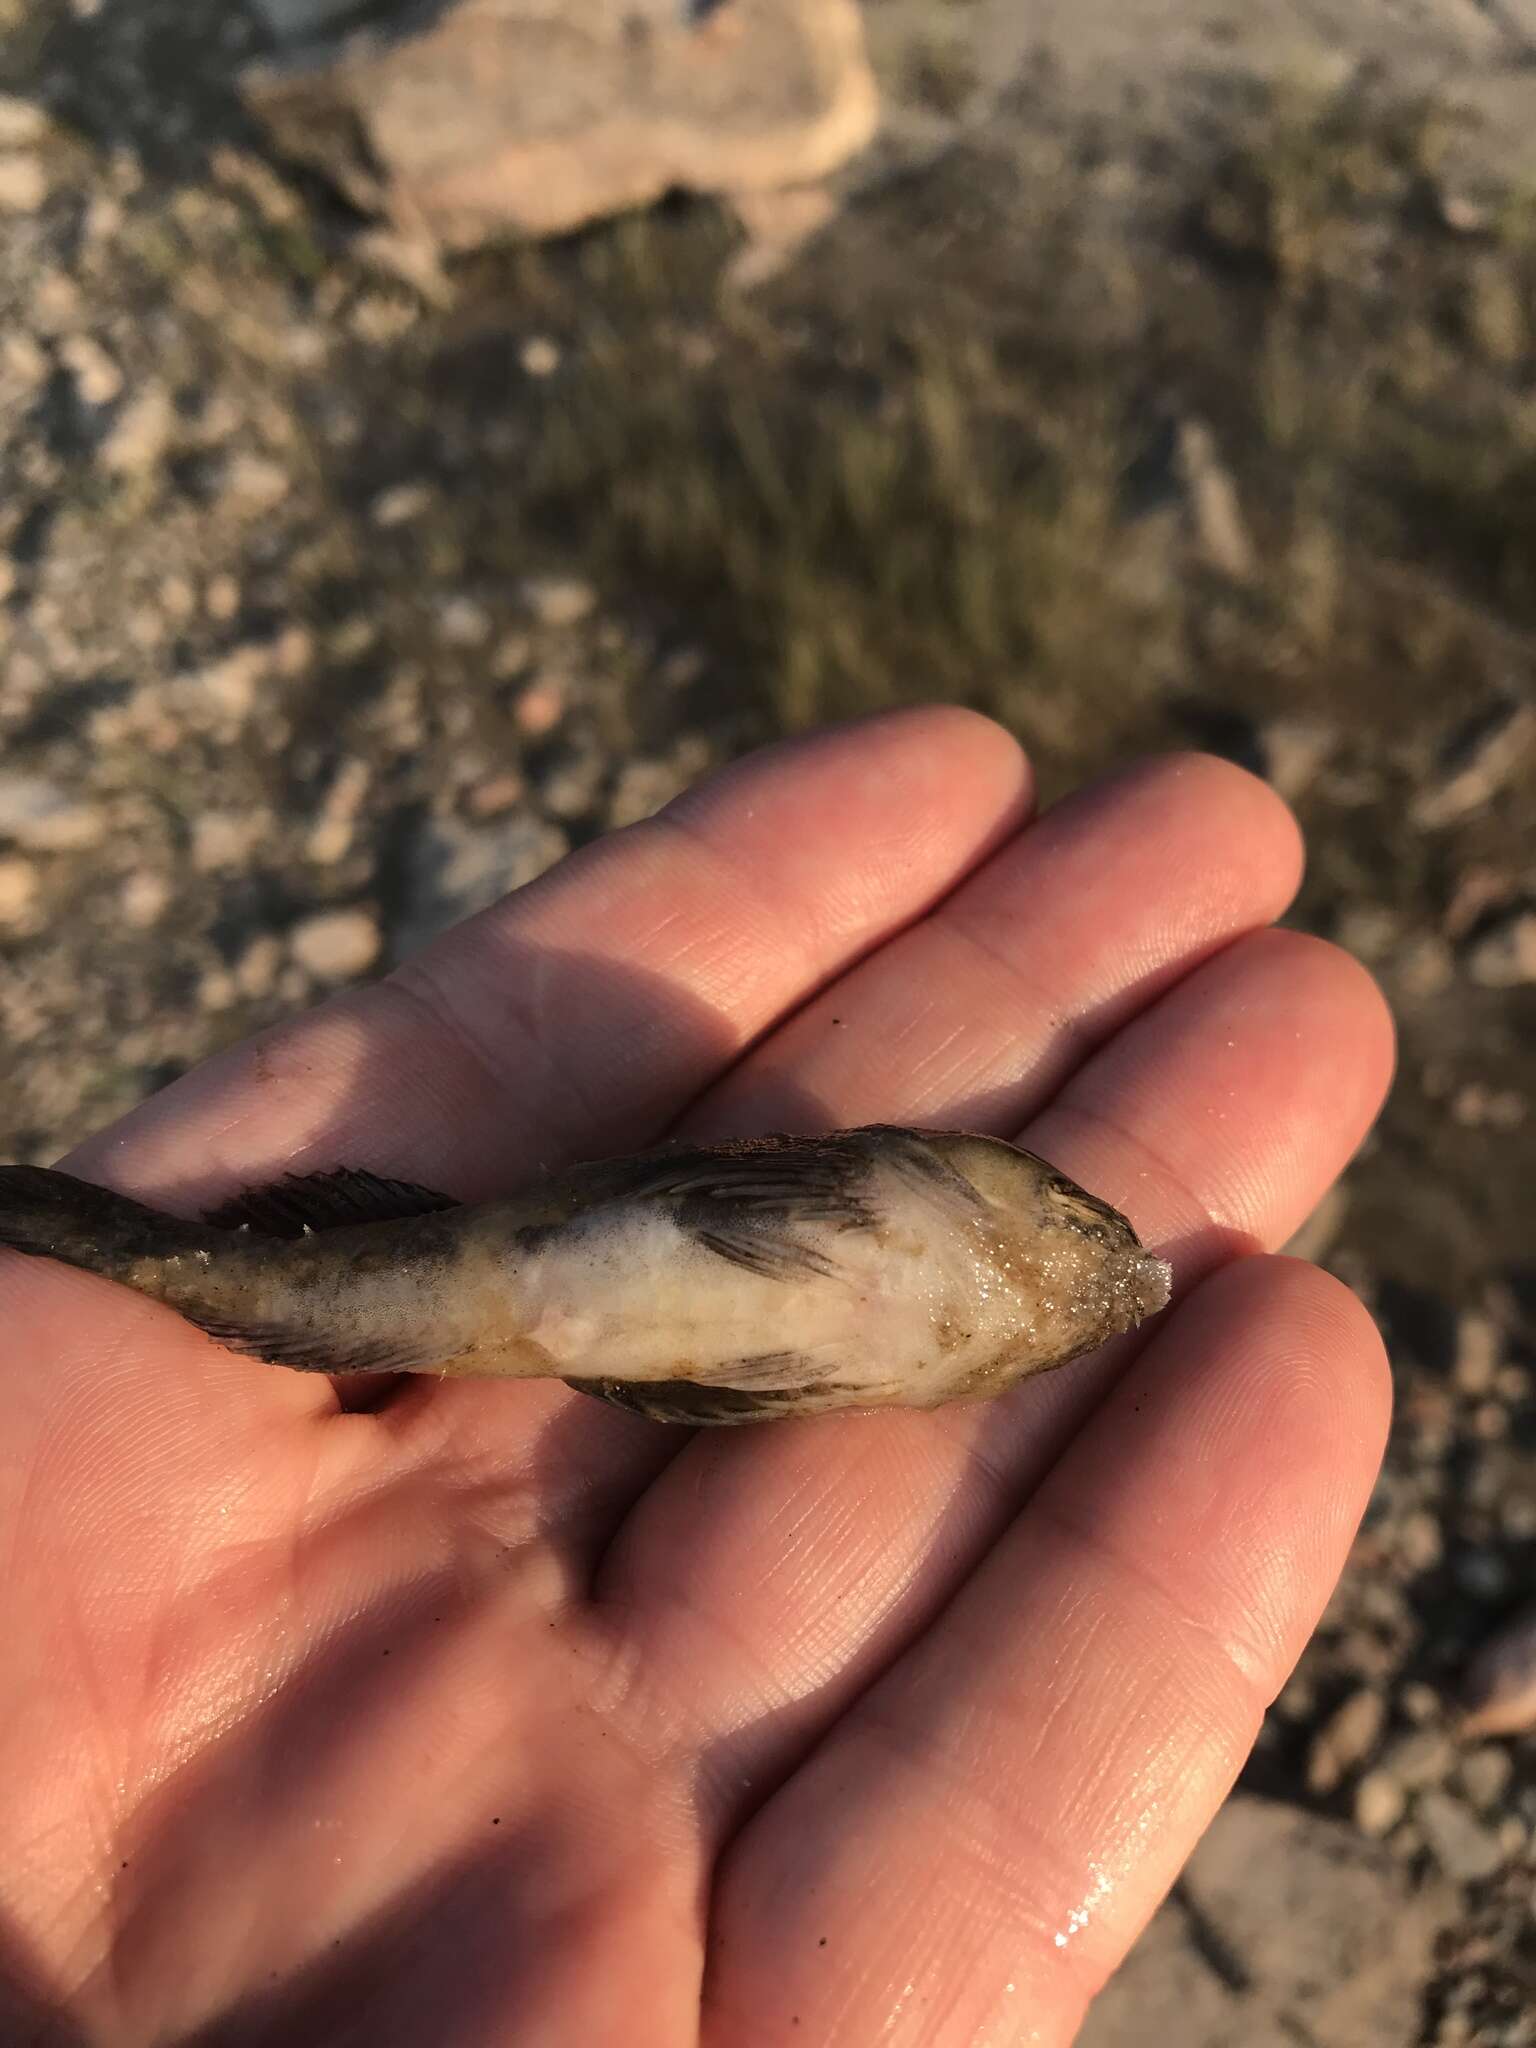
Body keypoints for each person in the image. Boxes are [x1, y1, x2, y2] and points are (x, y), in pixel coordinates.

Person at [0, 709, 1392, 2047]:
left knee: (260, 1280)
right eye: (1083, 1237)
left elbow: (726, 1341)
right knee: (243, 1276)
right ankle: (128, 1253)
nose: (1107, 1268)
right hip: (542, 1280)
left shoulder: (937, 1292)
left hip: (569, 1295)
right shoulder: (942, 1281)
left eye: (1088, 1257)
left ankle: (142, 1257)